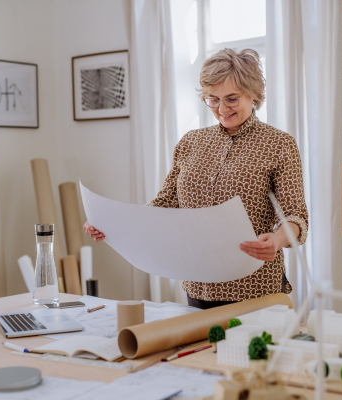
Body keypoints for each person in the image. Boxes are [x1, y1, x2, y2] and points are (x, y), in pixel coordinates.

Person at [84, 48, 308, 310]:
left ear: (254, 94)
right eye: (213, 100)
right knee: (200, 353)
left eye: (231, 99)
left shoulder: (279, 144)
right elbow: (166, 204)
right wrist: (113, 224)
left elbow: (296, 218)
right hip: (198, 285)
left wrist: (278, 240)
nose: (222, 109)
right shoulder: (191, 142)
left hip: (254, 286)